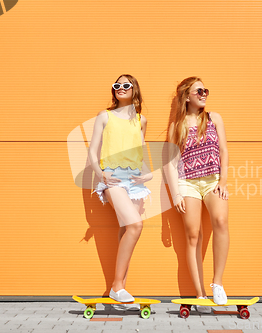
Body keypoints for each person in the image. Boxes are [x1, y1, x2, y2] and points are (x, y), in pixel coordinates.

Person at [165, 76, 230, 313]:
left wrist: (223, 180)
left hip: (213, 180)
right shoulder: (176, 125)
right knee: (193, 236)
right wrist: (176, 195)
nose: (204, 94)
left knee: (221, 222)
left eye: (206, 90)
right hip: (187, 183)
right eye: (199, 90)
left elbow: (223, 150)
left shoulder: (214, 118)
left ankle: (217, 284)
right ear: (186, 95)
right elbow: (170, 162)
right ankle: (200, 294)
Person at [88, 74, 152, 308]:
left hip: (135, 180)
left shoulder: (141, 120)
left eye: (126, 85)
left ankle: (121, 288)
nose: (121, 88)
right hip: (113, 177)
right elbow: (93, 151)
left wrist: (149, 174)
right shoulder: (104, 116)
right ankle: (117, 287)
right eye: (117, 85)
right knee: (136, 226)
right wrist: (100, 174)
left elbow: (140, 152)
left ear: (135, 90)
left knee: (127, 229)